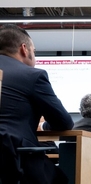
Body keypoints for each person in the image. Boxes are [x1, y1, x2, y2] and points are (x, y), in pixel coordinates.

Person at [0, 24, 74, 183]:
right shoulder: (32, 75)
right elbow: (64, 122)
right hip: (12, 159)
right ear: (24, 49)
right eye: (34, 51)